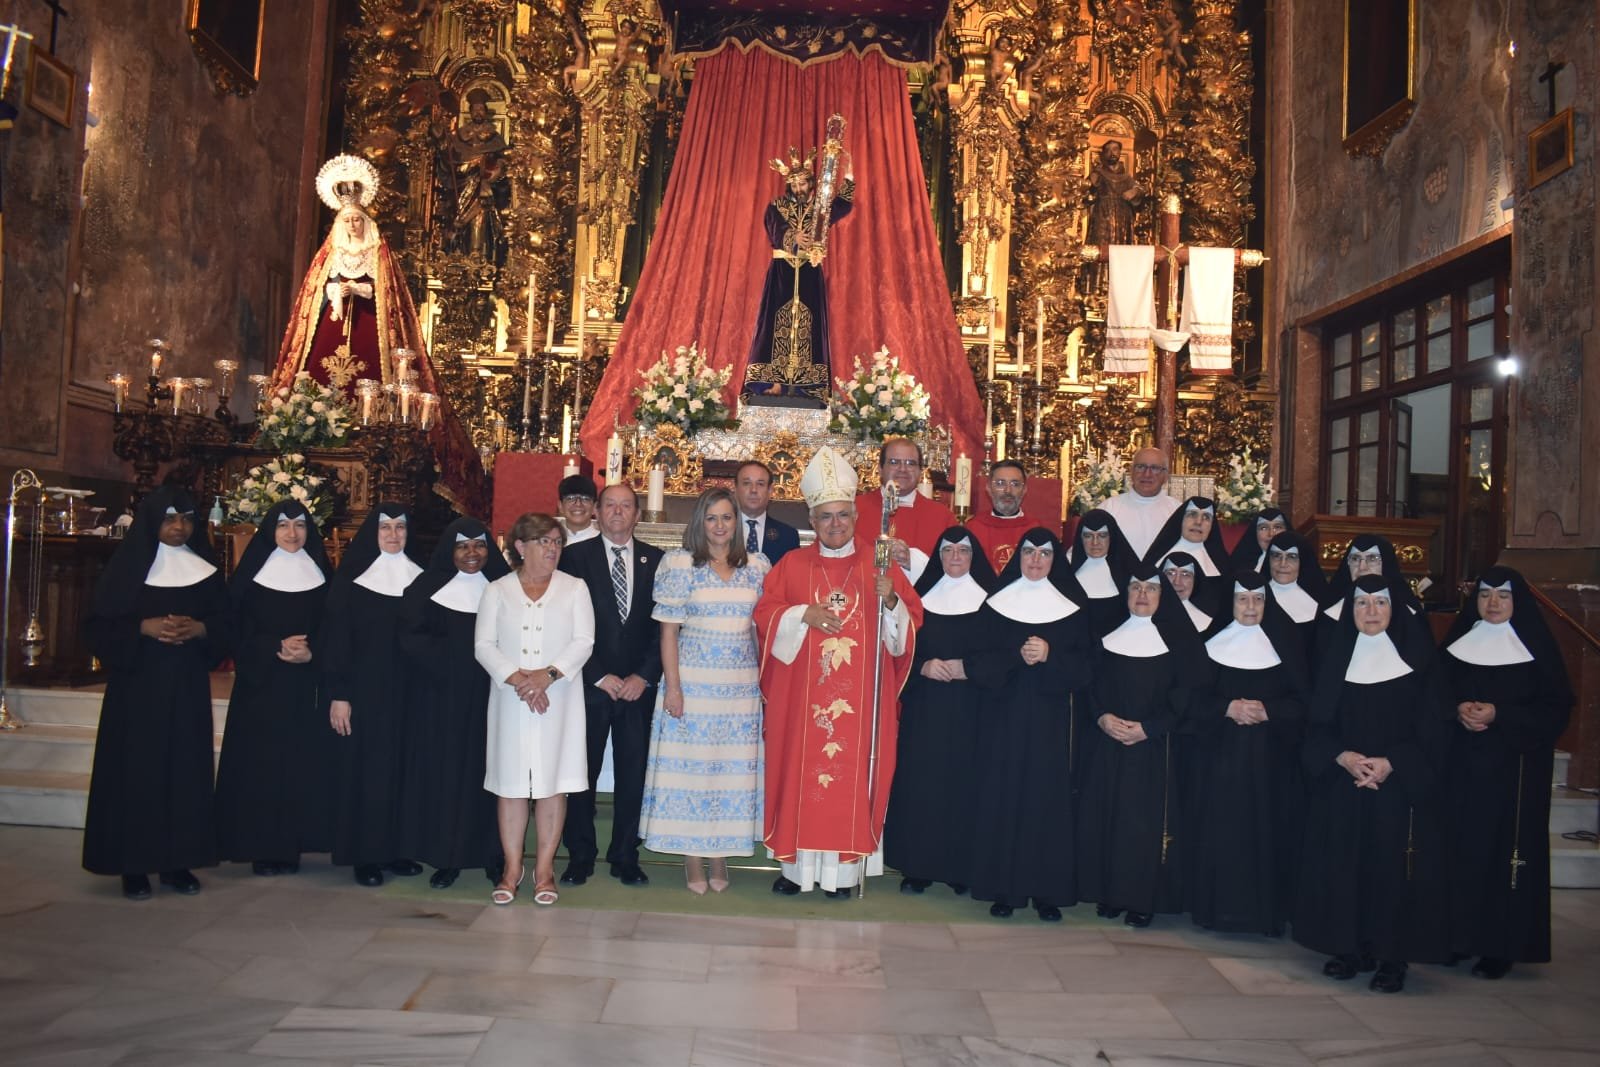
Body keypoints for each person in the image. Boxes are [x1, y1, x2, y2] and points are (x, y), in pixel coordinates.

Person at [270, 154, 481, 513]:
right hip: (331, 330)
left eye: (357, 219)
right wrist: (336, 292)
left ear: (365, 221)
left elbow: (389, 297)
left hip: (372, 332)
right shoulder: (327, 257)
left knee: (376, 384)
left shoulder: (379, 253)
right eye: (347, 220)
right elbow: (311, 300)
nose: (352, 224)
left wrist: (361, 291)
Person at [754, 447, 922, 897]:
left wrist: (890, 601)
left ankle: (844, 876)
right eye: (825, 516)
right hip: (801, 705)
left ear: (854, 516)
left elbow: (906, 634)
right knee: (799, 778)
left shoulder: (878, 564)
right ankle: (795, 872)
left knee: (850, 780)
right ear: (813, 517)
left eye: (842, 515)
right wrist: (798, 616)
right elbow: (765, 614)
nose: (835, 524)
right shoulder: (792, 565)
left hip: (859, 705)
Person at [1294, 575, 1453, 993]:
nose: (1369, 611)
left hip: (1397, 789)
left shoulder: (1419, 662)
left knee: (1390, 870)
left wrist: (1392, 762)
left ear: (1394, 609)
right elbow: (1314, 727)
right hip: (1343, 784)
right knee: (1342, 865)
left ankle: (1391, 957)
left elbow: (1435, 730)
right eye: (1361, 603)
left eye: (1379, 603)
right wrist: (1342, 757)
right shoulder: (1334, 659)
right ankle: (1347, 949)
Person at [82, 487, 232, 901]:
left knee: (183, 770)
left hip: (185, 685)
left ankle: (177, 862)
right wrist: (141, 629)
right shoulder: (126, 568)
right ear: (152, 522)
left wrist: (200, 629)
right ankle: (133, 865)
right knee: (137, 772)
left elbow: (225, 622)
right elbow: (95, 627)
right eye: (169, 519)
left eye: (185, 519)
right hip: (137, 686)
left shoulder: (204, 570)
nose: (179, 527)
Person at [1440, 567, 1573, 980]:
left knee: (1503, 855)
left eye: (1503, 596)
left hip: (1513, 772)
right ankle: (1455, 938)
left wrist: (1500, 714)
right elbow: (1432, 691)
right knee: (1459, 850)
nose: (1493, 604)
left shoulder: (1536, 649)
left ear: (1518, 602)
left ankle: (1501, 946)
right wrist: (1456, 709)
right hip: (1461, 768)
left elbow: (1555, 708)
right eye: (1485, 596)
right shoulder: (1456, 645)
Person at [639, 488, 771, 893]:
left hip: (738, 690)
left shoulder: (757, 566)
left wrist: (764, 686)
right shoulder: (680, 564)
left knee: (727, 773)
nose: (719, 525)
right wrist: (673, 688)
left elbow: (760, 629)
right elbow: (668, 633)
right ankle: (693, 856)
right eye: (711, 518)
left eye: (727, 518)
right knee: (692, 772)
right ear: (700, 523)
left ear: (737, 523)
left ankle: (720, 853)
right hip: (692, 684)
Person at [966, 528, 1094, 920]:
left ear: (1055, 560)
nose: (1036, 560)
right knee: (1003, 796)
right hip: (1002, 719)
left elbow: (1088, 668)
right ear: (1018, 557)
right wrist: (1016, 656)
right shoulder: (996, 605)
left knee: (1046, 801)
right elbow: (977, 661)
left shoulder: (1073, 607)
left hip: (1050, 723)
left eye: (1044, 554)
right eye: (1028, 553)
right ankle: (1002, 889)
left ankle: (1047, 892)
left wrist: (1051, 655)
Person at [1076, 564, 1205, 928]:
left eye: (1151, 589)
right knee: (1108, 817)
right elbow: (1090, 687)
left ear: (1162, 596)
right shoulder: (1107, 636)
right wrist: (1102, 717)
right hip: (1108, 742)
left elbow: (1187, 696)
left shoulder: (1179, 642)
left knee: (1140, 824)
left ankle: (1141, 899)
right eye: (1135, 588)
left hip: (1154, 748)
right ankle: (1108, 892)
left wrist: (1149, 728)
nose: (1143, 596)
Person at [476, 512, 595, 906]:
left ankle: (544, 869)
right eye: (544, 541)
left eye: (557, 542)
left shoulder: (575, 588)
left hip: (557, 699)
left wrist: (547, 676)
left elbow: (583, 641)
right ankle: (512, 868)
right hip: (511, 700)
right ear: (521, 547)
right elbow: (484, 646)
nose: (552, 549)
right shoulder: (497, 590)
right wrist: (519, 679)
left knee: (551, 784)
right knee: (511, 786)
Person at [215, 500, 337, 877]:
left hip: (305, 685)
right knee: (261, 765)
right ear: (271, 530)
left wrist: (312, 652)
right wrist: (273, 646)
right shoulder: (251, 576)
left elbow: (334, 625)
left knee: (300, 762)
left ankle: (298, 840)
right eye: (283, 525)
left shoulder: (321, 575)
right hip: (261, 686)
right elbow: (233, 628)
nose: (292, 533)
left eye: (300, 525)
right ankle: (259, 845)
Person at [1187, 573, 1308, 937]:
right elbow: (1190, 699)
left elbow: (1305, 702)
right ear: (1233, 603)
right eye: (1243, 600)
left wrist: (1270, 710)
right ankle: (1213, 910)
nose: (1251, 607)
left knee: (1266, 832)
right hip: (1219, 760)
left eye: (1258, 600)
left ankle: (1265, 914)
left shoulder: (1286, 647)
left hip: (1270, 765)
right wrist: (1227, 708)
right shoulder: (1210, 646)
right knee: (1219, 830)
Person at [556, 484, 664, 888]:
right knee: (581, 774)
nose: (618, 513)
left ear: (638, 514)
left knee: (633, 775)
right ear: (597, 513)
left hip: (638, 689)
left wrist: (644, 675)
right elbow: (564, 623)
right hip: (590, 686)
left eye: (626, 506)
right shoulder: (573, 558)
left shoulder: (657, 560)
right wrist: (599, 675)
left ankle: (625, 855)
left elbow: (664, 628)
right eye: (610, 506)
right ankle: (580, 855)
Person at [884, 526, 997, 897]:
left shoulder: (990, 603)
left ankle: (960, 867)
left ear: (973, 557)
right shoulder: (921, 600)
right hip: (927, 709)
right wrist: (924, 667)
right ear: (938, 557)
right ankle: (918, 866)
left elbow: (1000, 655)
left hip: (972, 709)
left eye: (962, 552)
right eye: (947, 551)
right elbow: (900, 649)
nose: (954, 558)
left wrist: (970, 669)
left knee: (967, 785)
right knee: (923, 784)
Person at [399, 517, 509, 889]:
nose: (472, 553)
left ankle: (495, 856)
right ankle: (447, 856)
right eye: (463, 546)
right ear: (450, 549)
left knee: (490, 776)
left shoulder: (503, 587)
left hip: (491, 696)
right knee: (447, 776)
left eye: (479, 545)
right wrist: (454, 665)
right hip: (440, 699)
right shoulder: (425, 589)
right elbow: (412, 639)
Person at [322, 505, 425, 887]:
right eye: (386, 528)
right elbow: (337, 641)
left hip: (409, 692)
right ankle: (365, 854)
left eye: (400, 528)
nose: (394, 535)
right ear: (373, 533)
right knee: (367, 772)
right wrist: (339, 694)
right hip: (364, 693)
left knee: (403, 769)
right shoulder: (352, 581)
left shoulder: (421, 579)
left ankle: (397, 850)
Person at [744, 145, 855, 402]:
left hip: (809, 271)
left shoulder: (820, 207)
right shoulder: (777, 206)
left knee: (809, 323)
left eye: (803, 184)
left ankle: (807, 385)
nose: (798, 189)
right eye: (793, 185)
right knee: (775, 323)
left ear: (811, 183)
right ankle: (773, 382)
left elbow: (843, 204)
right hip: (783, 271)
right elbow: (774, 228)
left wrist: (848, 172)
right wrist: (793, 237)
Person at [854, 437, 958, 578]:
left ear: (920, 471)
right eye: (894, 462)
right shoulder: (853, 509)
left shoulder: (942, 517)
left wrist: (913, 562)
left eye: (910, 463)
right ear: (880, 468)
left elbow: (955, 571)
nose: (903, 469)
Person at [1145, 496, 1229, 610]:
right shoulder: (1154, 558)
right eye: (1192, 514)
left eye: (1206, 517)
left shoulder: (1223, 566)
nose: (1198, 522)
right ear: (1181, 519)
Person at [1098, 447, 1180, 558]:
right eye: (1141, 467)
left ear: (1165, 475)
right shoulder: (1109, 508)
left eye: (1155, 468)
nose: (1147, 474)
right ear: (1131, 472)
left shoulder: (1178, 511)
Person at [1067, 508, 1139, 635]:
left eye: (1102, 535)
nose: (1095, 542)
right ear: (1080, 538)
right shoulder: (1066, 570)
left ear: (1112, 537)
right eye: (1088, 536)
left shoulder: (1128, 570)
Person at [965, 460, 1044, 571]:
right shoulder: (974, 528)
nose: (1008, 490)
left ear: (1024, 489)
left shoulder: (1034, 529)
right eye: (1000, 483)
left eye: (1015, 484)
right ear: (988, 488)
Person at [1265, 530, 1328, 658]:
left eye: (1291, 557)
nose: (1282, 564)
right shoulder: (1255, 598)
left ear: (1303, 561)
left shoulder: (1322, 601)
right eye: (1276, 556)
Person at [734, 460, 799, 565]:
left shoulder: (788, 536)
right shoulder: (720, 530)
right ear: (735, 489)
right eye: (746, 483)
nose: (753, 490)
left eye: (760, 484)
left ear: (770, 490)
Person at [1161, 552, 1215, 632]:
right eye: (1170, 573)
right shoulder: (1145, 609)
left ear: (1195, 581)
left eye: (1185, 574)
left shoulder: (1210, 620)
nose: (1177, 582)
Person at [1227, 507, 1289, 574]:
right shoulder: (1240, 564)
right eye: (1264, 528)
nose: (1271, 534)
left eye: (1277, 527)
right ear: (1255, 533)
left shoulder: (1300, 562)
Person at [556, 474, 600, 546]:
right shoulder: (550, 536)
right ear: (560, 506)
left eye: (585, 498)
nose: (578, 504)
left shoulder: (605, 539)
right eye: (570, 498)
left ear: (594, 507)